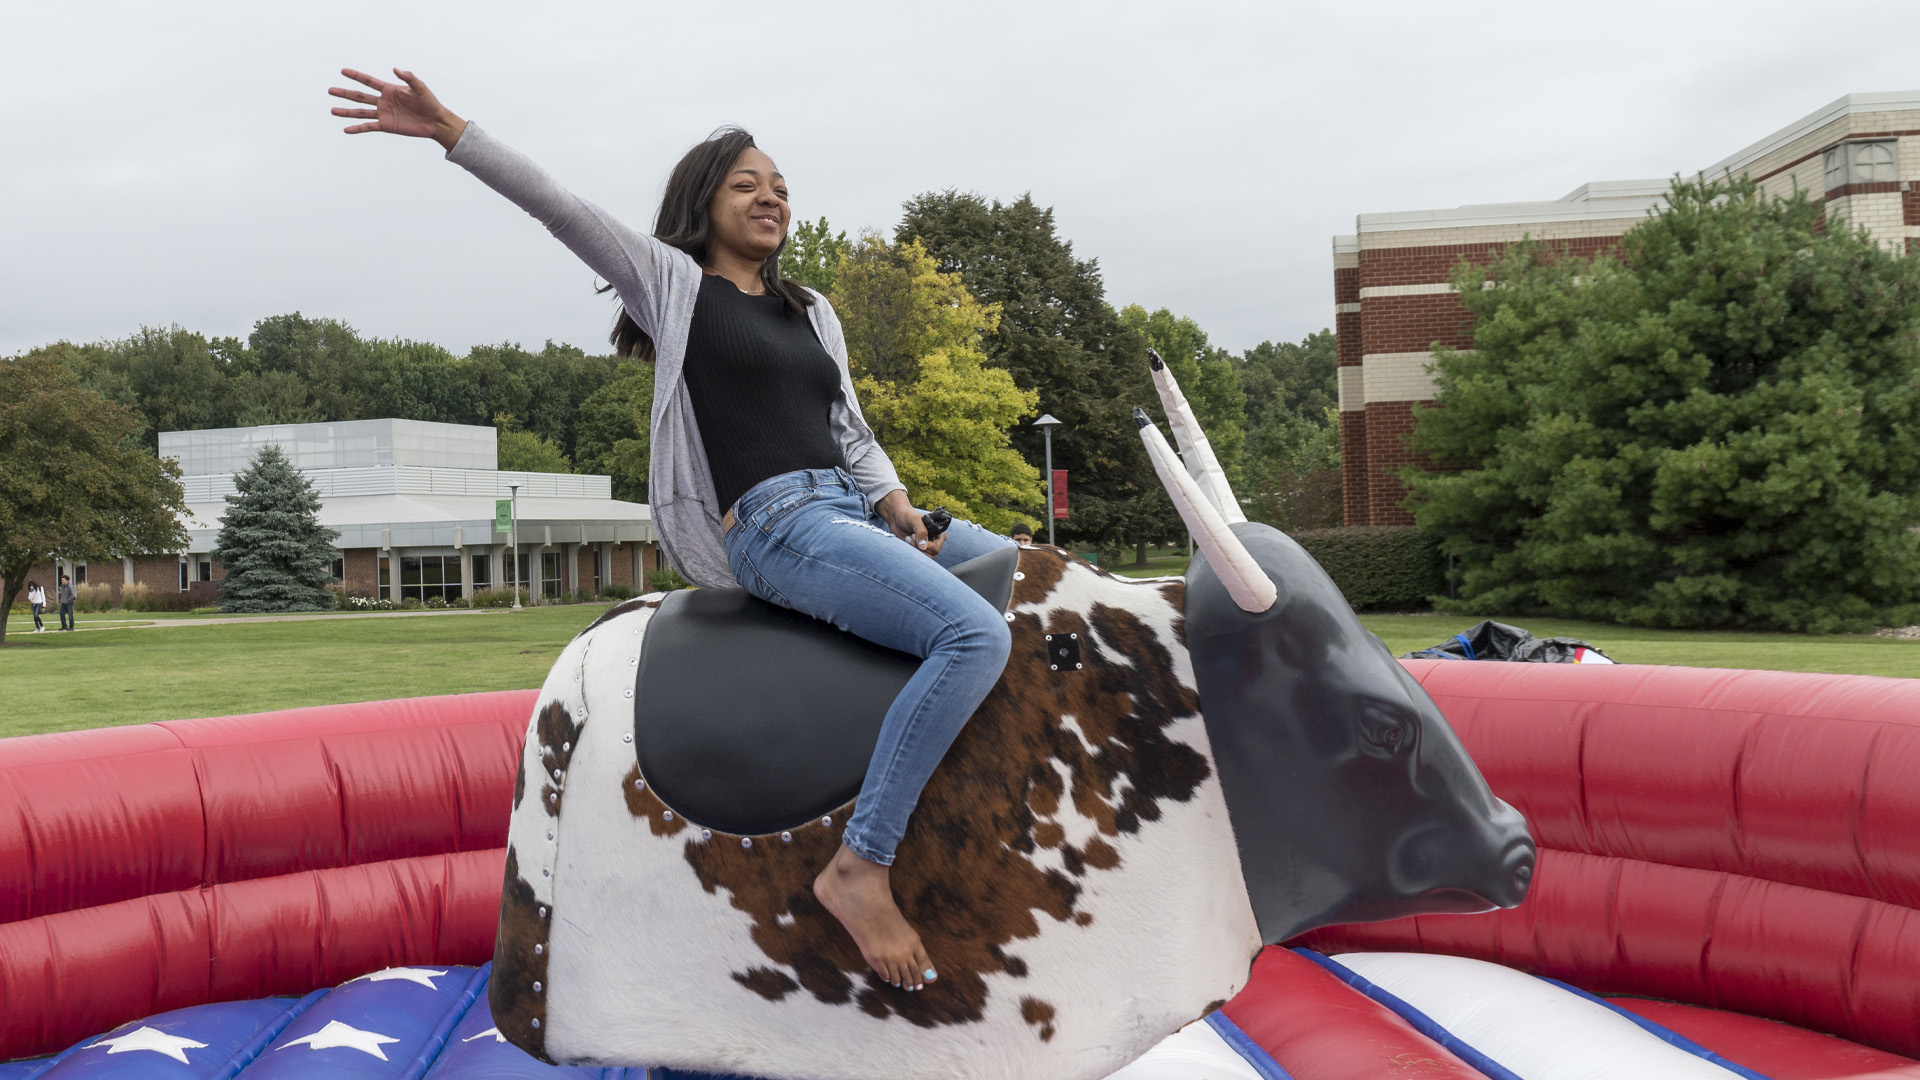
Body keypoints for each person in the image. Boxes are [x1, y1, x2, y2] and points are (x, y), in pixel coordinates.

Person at [330, 68, 1014, 993]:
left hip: (850, 508)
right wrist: (454, 131)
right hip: (778, 522)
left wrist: (896, 505)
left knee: (1014, 567)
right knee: (973, 633)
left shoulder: (813, 312)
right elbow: (560, 209)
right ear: (705, 203)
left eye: (779, 186)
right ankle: (861, 865)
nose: (769, 195)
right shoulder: (677, 287)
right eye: (746, 184)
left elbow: (847, 425)